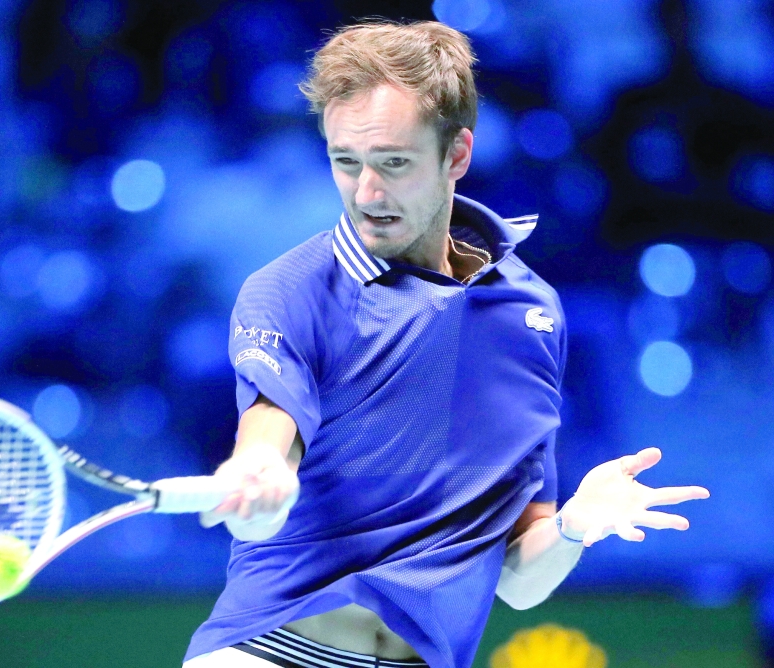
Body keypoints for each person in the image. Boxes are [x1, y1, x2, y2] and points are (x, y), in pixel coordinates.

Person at [182, 20, 709, 668]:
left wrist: (572, 527)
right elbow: (272, 420)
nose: (366, 192)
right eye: (346, 161)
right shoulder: (289, 288)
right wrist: (258, 467)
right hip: (267, 655)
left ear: (456, 155)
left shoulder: (530, 313)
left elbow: (517, 580)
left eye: (394, 163)